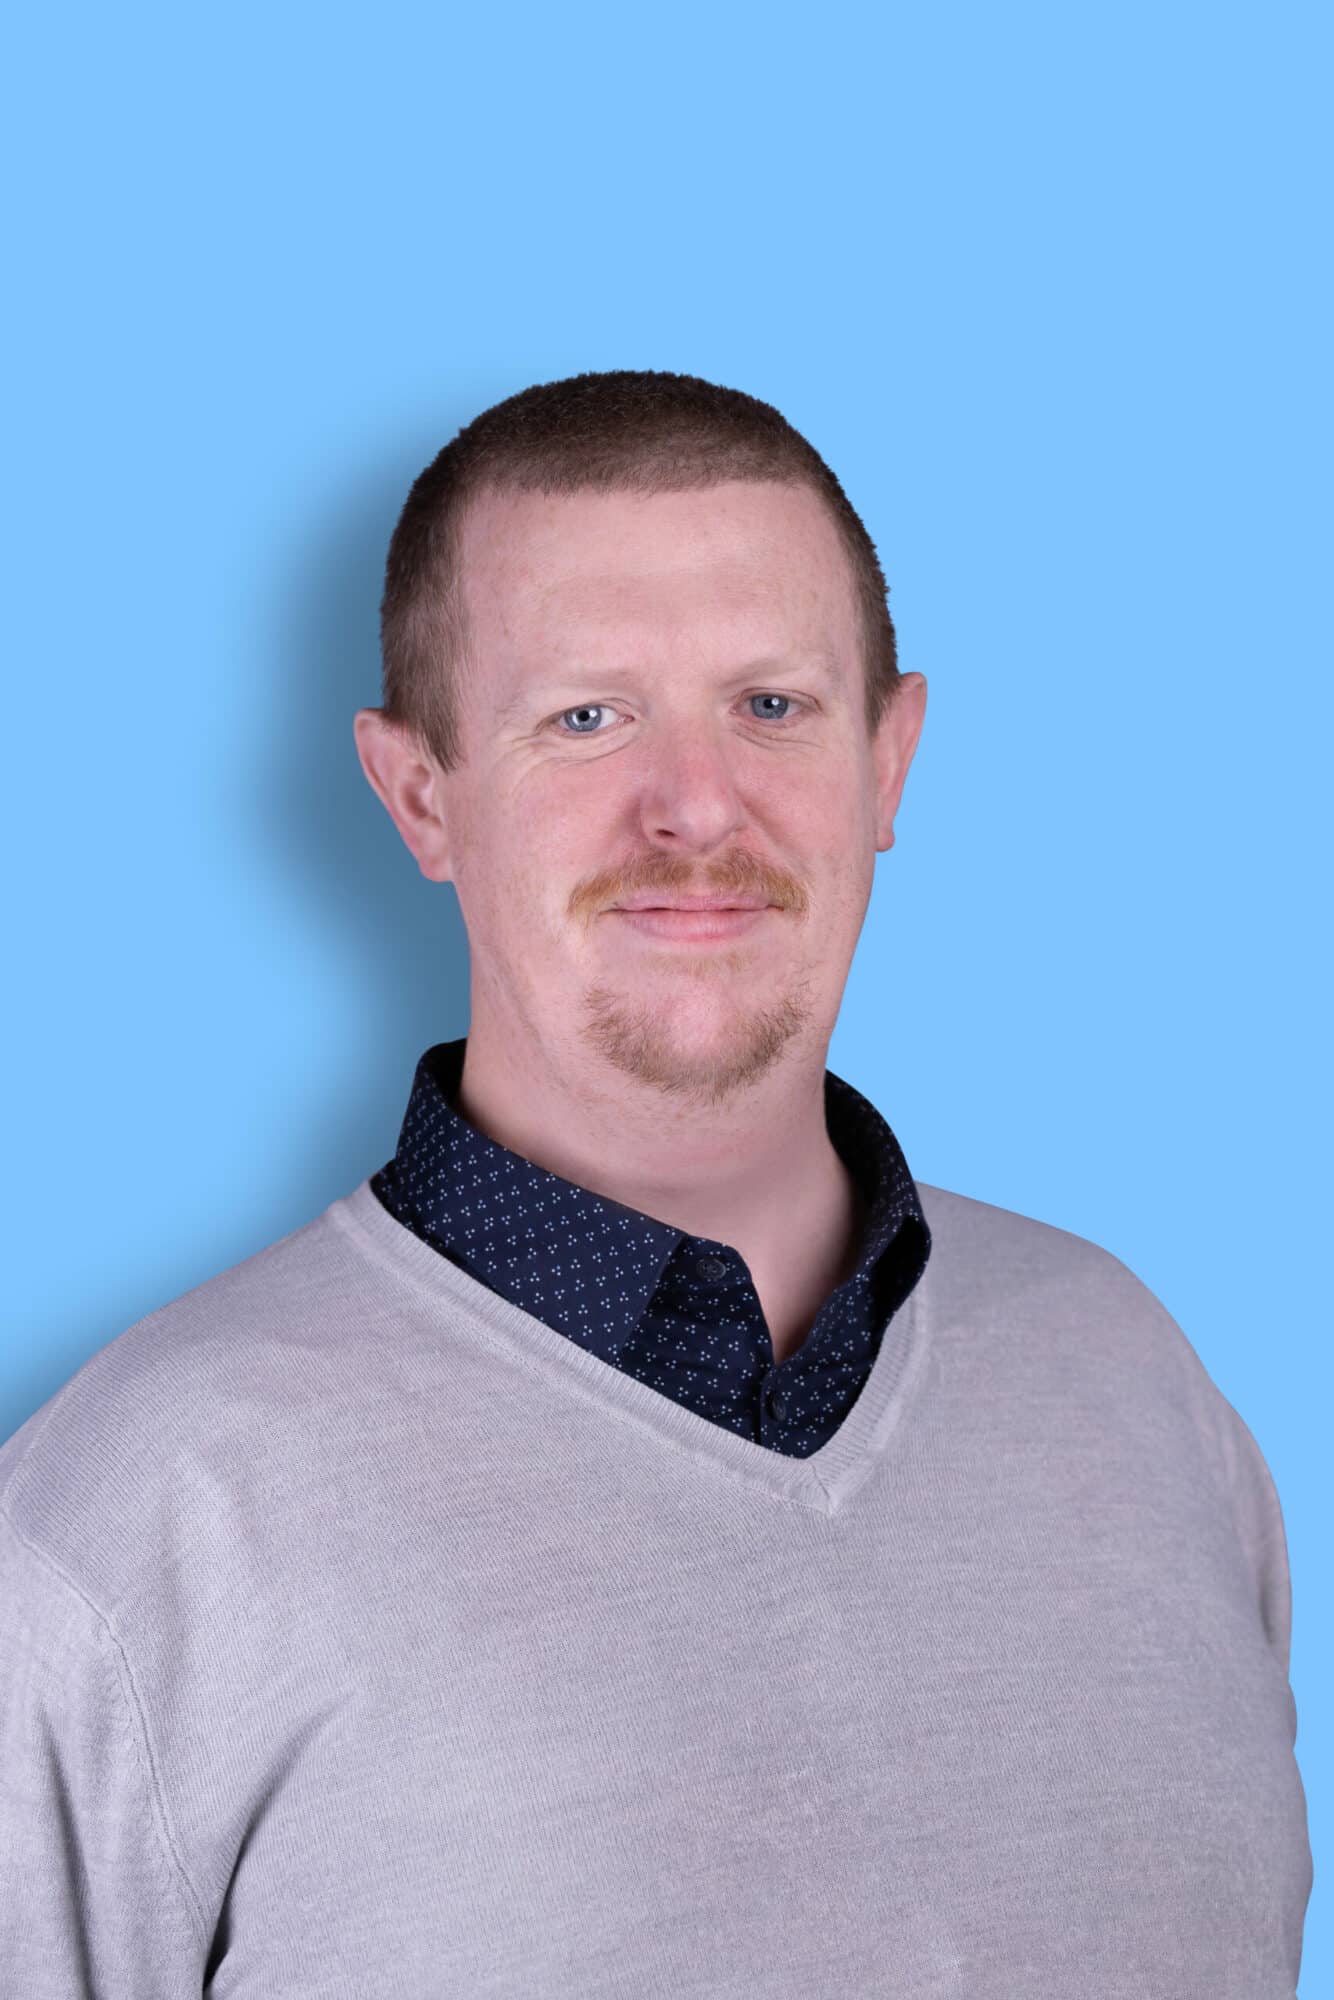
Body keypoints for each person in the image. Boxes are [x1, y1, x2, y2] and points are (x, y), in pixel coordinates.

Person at [0, 370, 1311, 1996]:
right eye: (586, 718)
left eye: (771, 705)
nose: (696, 806)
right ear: (420, 796)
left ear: (889, 760)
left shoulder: (1131, 1386)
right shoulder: (124, 1536)